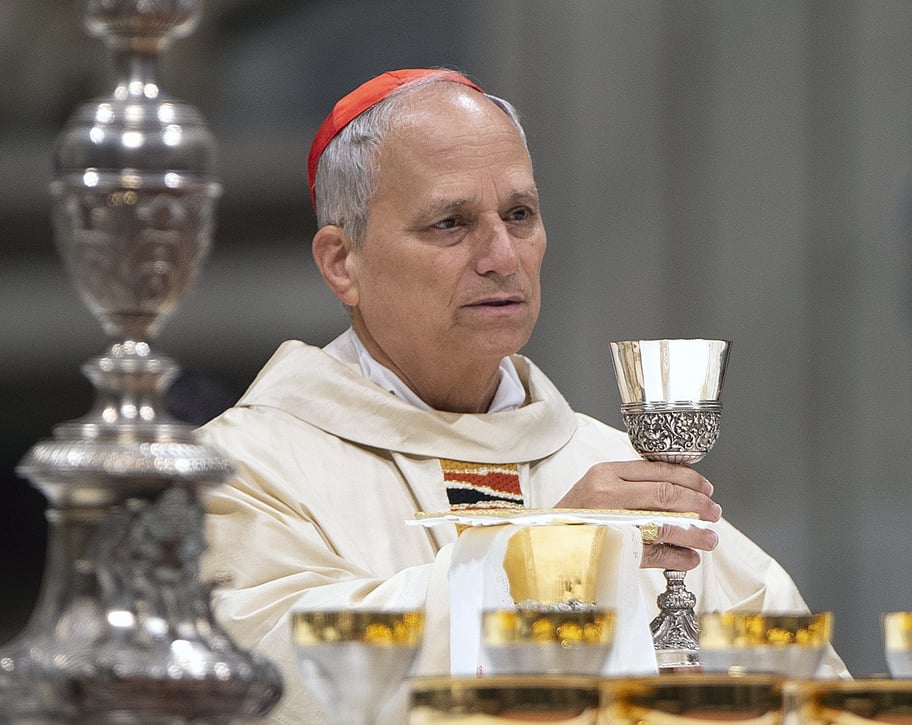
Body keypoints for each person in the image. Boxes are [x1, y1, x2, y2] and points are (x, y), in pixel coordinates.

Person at [199, 68, 843, 723]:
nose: (502, 254)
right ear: (343, 262)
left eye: (519, 214)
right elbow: (266, 681)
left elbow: (806, 691)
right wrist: (547, 561)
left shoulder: (614, 472)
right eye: (451, 222)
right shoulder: (243, 470)